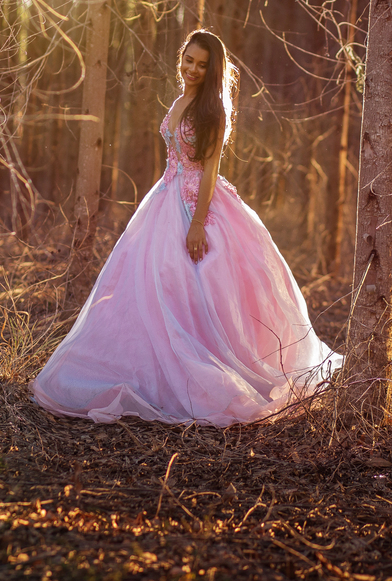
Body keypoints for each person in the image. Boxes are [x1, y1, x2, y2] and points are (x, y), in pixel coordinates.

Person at [31, 30, 342, 427]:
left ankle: (210, 367)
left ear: (213, 69)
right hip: (164, 197)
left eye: (201, 64)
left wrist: (197, 223)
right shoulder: (180, 100)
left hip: (199, 204)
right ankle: (149, 368)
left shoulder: (214, 109)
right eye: (188, 60)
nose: (192, 69)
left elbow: (210, 169)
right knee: (150, 285)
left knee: (199, 282)